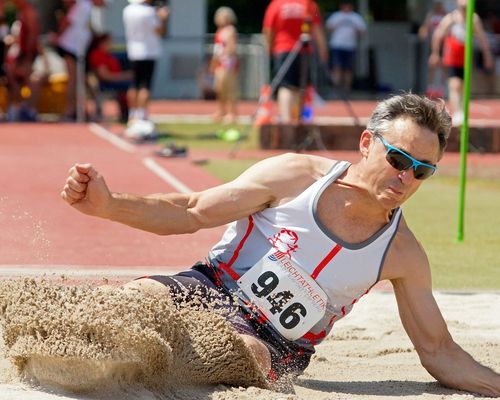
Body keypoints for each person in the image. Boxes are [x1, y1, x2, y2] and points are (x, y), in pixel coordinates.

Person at [61, 93, 500, 396]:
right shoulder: (295, 176)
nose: (406, 177)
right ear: (367, 144)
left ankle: (139, 369)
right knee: (139, 297)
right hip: (211, 286)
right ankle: (61, 346)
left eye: (422, 170)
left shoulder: (403, 254)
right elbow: (191, 210)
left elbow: (439, 351)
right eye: (399, 159)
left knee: (242, 353)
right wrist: (109, 205)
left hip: (275, 345)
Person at [262, 0, 328, 123]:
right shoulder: (308, 4)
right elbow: (317, 29)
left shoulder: (277, 4)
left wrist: (269, 49)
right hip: (303, 51)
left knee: (285, 87)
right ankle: (297, 121)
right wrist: (323, 51)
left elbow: (269, 29)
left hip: (283, 49)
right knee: (300, 87)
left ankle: (286, 122)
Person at [429, 0, 493, 125]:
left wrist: (487, 55)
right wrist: (435, 53)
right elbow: (438, 35)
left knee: (464, 85)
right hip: (452, 57)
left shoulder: (474, 19)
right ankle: (457, 112)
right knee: (455, 84)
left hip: (466, 57)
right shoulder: (451, 18)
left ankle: (462, 110)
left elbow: (482, 38)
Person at [49, 0, 106, 121]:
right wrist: (58, 37)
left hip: (79, 48)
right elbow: (68, 21)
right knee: (74, 79)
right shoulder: (83, 5)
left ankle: (87, 108)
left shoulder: (87, 7)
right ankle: (72, 110)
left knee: (81, 79)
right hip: (72, 47)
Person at [122, 0, 169, 138]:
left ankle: (132, 116)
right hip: (148, 51)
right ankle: (141, 116)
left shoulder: (128, 10)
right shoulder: (149, 12)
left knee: (134, 84)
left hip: (133, 50)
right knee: (145, 85)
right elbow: (160, 31)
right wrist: (162, 19)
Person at [3, 0, 40, 122]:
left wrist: (27, 58)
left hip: (28, 55)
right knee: (11, 74)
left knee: (31, 79)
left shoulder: (29, 13)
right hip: (23, 54)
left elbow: (32, 37)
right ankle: (21, 106)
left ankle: (29, 109)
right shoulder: (22, 13)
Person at [87, 32, 132, 123]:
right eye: (109, 42)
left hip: (114, 81)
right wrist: (125, 76)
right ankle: (129, 115)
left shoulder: (108, 54)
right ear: (101, 43)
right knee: (131, 87)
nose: (111, 44)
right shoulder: (98, 55)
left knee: (130, 86)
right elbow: (105, 76)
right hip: (107, 83)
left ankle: (127, 115)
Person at [325, 0, 366, 93]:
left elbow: (362, 31)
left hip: (350, 46)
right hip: (337, 45)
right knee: (337, 67)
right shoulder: (336, 16)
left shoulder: (356, 17)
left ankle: (347, 89)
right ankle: (336, 88)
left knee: (348, 69)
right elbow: (328, 27)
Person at [211, 6, 239, 124]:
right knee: (219, 89)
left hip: (228, 64)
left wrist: (224, 56)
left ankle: (232, 113)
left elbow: (232, 47)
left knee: (230, 89)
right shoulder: (219, 31)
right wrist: (214, 62)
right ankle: (221, 110)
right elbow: (216, 49)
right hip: (219, 63)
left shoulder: (230, 30)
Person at [418, 1, 447, 99]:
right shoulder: (431, 15)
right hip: (433, 44)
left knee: (443, 66)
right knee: (432, 65)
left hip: (444, 45)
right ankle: (430, 89)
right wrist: (423, 32)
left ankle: (441, 89)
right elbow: (424, 29)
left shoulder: (445, 15)